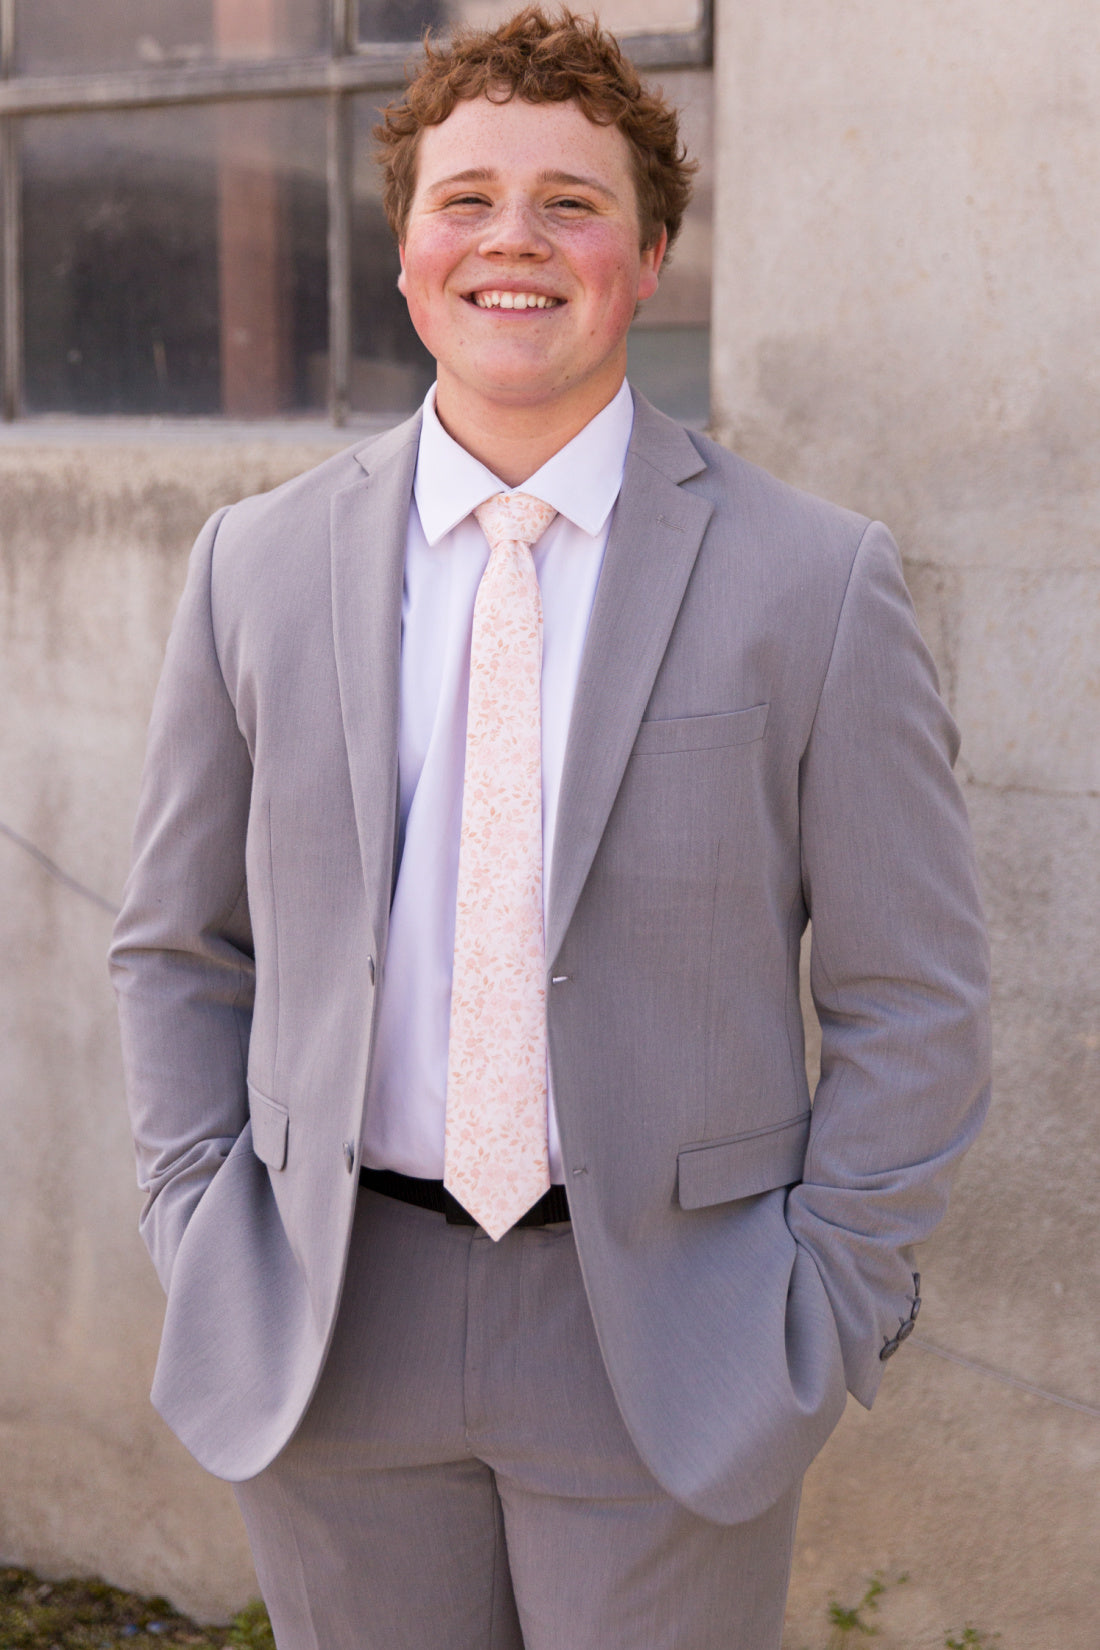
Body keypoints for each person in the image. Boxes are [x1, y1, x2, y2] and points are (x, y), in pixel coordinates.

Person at [109, 9, 992, 1648]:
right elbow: (178, 943)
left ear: (650, 256)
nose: (515, 238)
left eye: (572, 203)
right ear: (406, 252)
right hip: (332, 1319)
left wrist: (825, 1298)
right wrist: (199, 1222)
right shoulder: (258, 565)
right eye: (468, 198)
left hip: (670, 1336)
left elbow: (914, 998)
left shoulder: (816, 580)